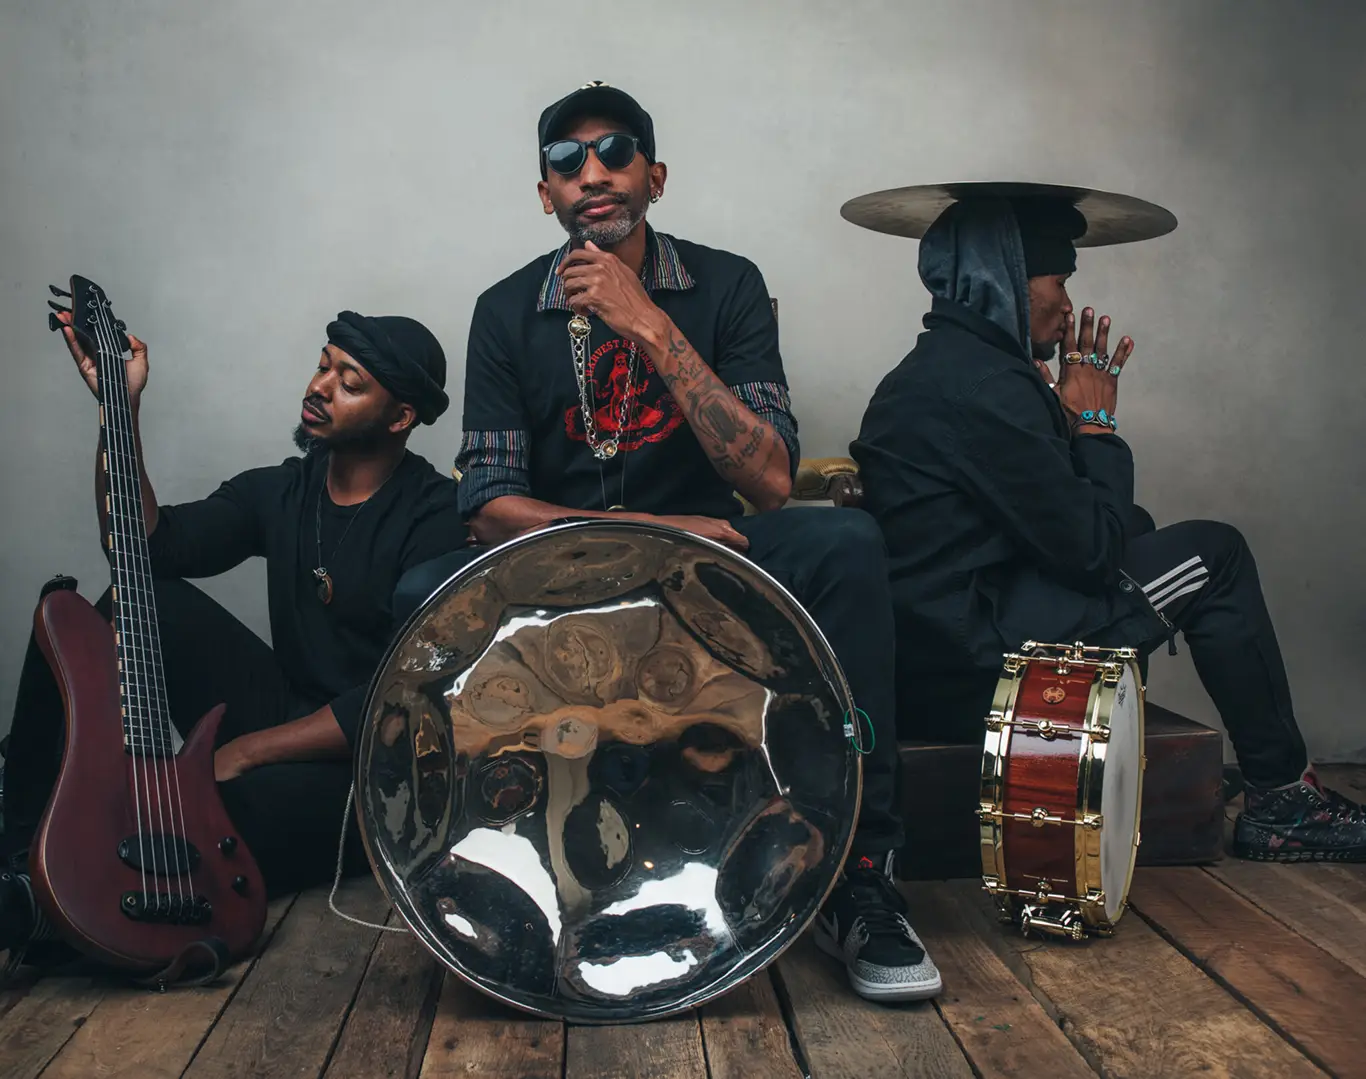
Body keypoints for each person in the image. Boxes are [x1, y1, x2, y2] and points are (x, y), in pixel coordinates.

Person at [393, 81, 941, 1001]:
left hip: (710, 571)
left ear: (656, 177)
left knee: (844, 544)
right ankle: (466, 883)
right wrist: (652, 529)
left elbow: (769, 479)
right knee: (419, 591)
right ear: (545, 193)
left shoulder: (727, 286)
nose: (592, 173)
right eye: (565, 161)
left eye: (615, 151)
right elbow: (487, 505)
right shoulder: (505, 310)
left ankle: (858, 876)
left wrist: (647, 321)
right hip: (561, 570)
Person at [850, 187, 1366, 861]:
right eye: (1058, 281)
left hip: (934, 653)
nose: (1069, 305)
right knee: (1217, 554)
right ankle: (1283, 800)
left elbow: (1054, 517)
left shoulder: (943, 368)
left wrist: (1060, 424)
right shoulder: (990, 387)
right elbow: (1091, 553)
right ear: (1006, 281)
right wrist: (1096, 425)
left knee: (1139, 526)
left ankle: (1117, 757)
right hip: (978, 672)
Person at [0, 306, 467, 965]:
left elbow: (404, 699)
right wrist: (119, 410)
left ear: (400, 417)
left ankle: (64, 916)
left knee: (209, 808)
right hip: (291, 709)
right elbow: (145, 547)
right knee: (134, 599)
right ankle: (23, 849)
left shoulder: (437, 516)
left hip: (376, 768)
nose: (320, 387)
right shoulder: (282, 489)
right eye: (323, 366)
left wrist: (247, 751)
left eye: (350, 382)